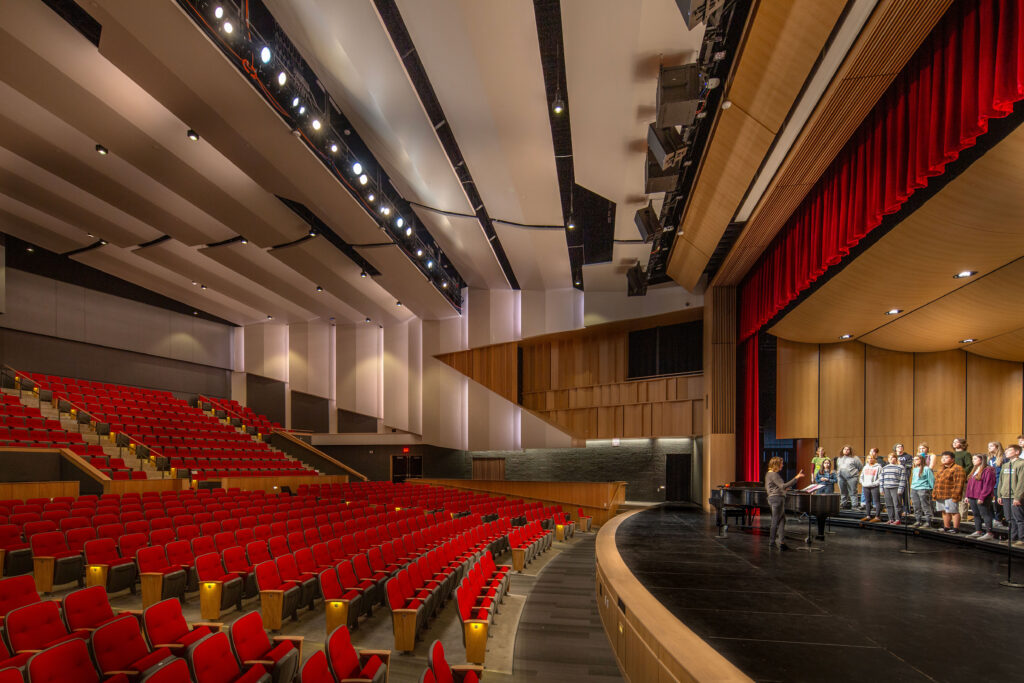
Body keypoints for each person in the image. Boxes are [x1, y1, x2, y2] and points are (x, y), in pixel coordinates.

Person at [764, 456, 804, 551]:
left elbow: (776, 487)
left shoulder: (769, 474)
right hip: (776, 498)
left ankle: (781, 542)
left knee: (782, 520)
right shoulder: (773, 474)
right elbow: (783, 485)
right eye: (781, 463)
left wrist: (783, 488)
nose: (782, 465)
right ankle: (772, 542)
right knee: (776, 520)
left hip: (775, 498)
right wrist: (796, 478)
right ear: (776, 464)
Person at [933, 451, 967, 533]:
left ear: (952, 459)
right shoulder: (941, 468)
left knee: (953, 511)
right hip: (940, 494)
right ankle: (946, 527)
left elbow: (959, 483)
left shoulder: (957, 468)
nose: (943, 459)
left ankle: (956, 528)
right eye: (942, 457)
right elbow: (937, 482)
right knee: (944, 511)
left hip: (950, 494)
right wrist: (935, 493)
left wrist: (956, 495)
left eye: (946, 457)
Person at [997, 444, 1024, 548]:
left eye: (1009, 450)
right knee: (1009, 518)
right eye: (1006, 450)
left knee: (1019, 518)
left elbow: (1021, 482)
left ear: (1017, 452)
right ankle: (1012, 538)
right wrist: (999, 494)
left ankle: (1021, 539)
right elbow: (1001, 481)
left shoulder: (1021, 464)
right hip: (1005, 495)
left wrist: (1018, 497)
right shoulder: (1005, 465)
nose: (1006, 452)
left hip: (1015, 496)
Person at [965, 453, 996, 540]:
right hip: (972, 496)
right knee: (976, 514)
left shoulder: (988, 470)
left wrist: (982, 497)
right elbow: (969, 484)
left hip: (981, 497)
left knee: (985, 514)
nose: (973, 460)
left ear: (981, 460)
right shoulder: (974, 470)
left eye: (975, 459)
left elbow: (988, 485)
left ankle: (989, 532)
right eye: (973, 459)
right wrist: (967, 496)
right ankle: (978, 531)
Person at [880, 452, 907, 525]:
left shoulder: (901, 467)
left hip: (896, 488)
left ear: (896, 458)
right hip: (886, 488)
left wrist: (900, 489)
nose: (891, 459)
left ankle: (897, 519)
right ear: (888, 459)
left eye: (893, 457)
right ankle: (891, 519)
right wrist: (881, 488)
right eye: (890, 458)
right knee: (889, 504)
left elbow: (903, 479)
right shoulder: (884, 468)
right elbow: (881, 479)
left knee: (897, 504)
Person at [910, 454, 934, 528]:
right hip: (914, 489)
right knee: (916, 505)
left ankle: (928, 521)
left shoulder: (926, 469)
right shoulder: (914, 469)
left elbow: (931, 480)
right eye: (914, 460)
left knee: (925, 506)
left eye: (917, 459)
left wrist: (931, 490)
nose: (915, 461)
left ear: (921, 460)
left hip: (923, 489)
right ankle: (918, 520)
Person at [859, 452, 882, 523]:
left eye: (872, 458)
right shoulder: (865, 467)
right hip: (866, 486)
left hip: (874, 486)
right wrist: (863, 483)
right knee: (867, 501)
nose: (870, 459)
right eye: (869, 458)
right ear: (867, 459)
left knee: (876, 501)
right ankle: (868, 516)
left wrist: (874, 484)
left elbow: (880, 478)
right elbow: (861, 476)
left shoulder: (878, 467)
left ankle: (877, 517)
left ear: (874, 459)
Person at [836, 445, 862, 510]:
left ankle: (854, 506)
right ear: (842, 450)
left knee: (853, 492)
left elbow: (860, 467)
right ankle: (843, 504)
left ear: (850, 451)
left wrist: (853, 473)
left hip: (852, 478)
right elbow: (838, 467)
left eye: (848, 449)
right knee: (843, 492)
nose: (846, 450)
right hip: (841, 477)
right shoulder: (839, 458)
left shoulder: (855, 458)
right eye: (845, 449)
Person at [952, 438, 972, 519]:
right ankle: (954, 517)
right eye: (953, 442)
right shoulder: (952, 454)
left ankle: (962, 517)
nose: (954, 443)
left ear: (962, 444)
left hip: (961, 479)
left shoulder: (966, 453)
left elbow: (969, 465)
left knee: (962, 499)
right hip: (952, 479)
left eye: (956, 442)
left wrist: (961, 473)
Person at [988, 441, 1005, 526]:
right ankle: (991, 518)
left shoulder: (1003, 458)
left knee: (998, 502)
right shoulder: (990, 459)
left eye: (991, 446)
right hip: (990, 483)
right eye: (988, 446)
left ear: (997, 447)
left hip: (999, 482)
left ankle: (998, 519)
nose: (989, 447)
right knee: (988, 501)